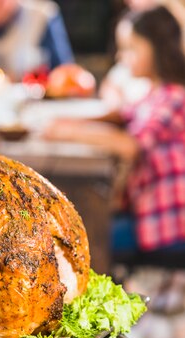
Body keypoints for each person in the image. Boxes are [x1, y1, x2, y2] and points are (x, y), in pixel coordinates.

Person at [44, 6, 185, 260]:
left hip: (166, 222)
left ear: (157, 47)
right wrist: (68, 118)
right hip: (150, 213)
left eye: (131, 48)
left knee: (86, 234)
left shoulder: (175, 98)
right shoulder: (153, 93)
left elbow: (132, 145)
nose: (122, 56)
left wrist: (70, 131)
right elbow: (122, 115)